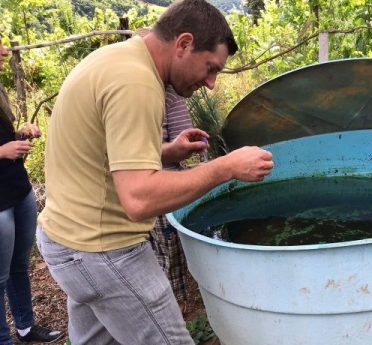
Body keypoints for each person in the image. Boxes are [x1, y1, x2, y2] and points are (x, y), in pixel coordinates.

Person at [36, 0, 274, 343]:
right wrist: (225, 167)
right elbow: (138, 198)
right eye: (211, 67)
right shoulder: (137, 83)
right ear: (184, 44)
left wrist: (165, 152)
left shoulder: (116, 59)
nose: (211, 84)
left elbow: (102, 154)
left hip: (68, 242)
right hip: (105, 251)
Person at [0, 39, 64, 344]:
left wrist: (21, 134)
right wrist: (2, 151)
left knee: (19, 266)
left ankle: (25, 327)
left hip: (18, 188)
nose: (3, 53)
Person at [150, 85, 194, 310]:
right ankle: (175, 305)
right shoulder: (167, 94)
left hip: (138, 189)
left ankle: (170, 302)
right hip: (164, 188)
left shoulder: (167, 96)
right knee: (170, 252)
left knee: (158, 252)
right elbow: (184, 146)